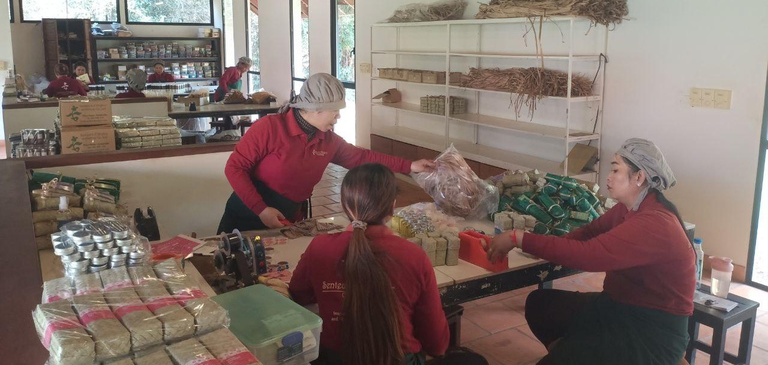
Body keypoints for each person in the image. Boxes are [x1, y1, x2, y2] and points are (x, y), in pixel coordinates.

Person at [485, 138, 695, 365]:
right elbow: (589, 232)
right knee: (540, 305)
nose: (609, 176)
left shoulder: (655, 222)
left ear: (639, 177)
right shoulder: (628, 208)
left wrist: (519, 238)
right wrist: (546, 246)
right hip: (617, 307)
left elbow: (590, 255)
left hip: (650, 333)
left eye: (615, 170)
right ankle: (574, 351)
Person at [220, 73, 435, 232]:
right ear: (315, 109)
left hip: (287, 216)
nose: (338, 117)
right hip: (247, 214)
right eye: (335, 111)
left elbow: (362, 158)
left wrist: (410, 166)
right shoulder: (270, 128)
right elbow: (234, 168)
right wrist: (261, 209)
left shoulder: (326, 140)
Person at [289, 163, 449, 365]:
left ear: (344, 205)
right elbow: (436, 341)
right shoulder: (413, 256)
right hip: (397, 357)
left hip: (335, 357)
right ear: (392, 206)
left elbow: (298, 295)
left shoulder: (320, 248)